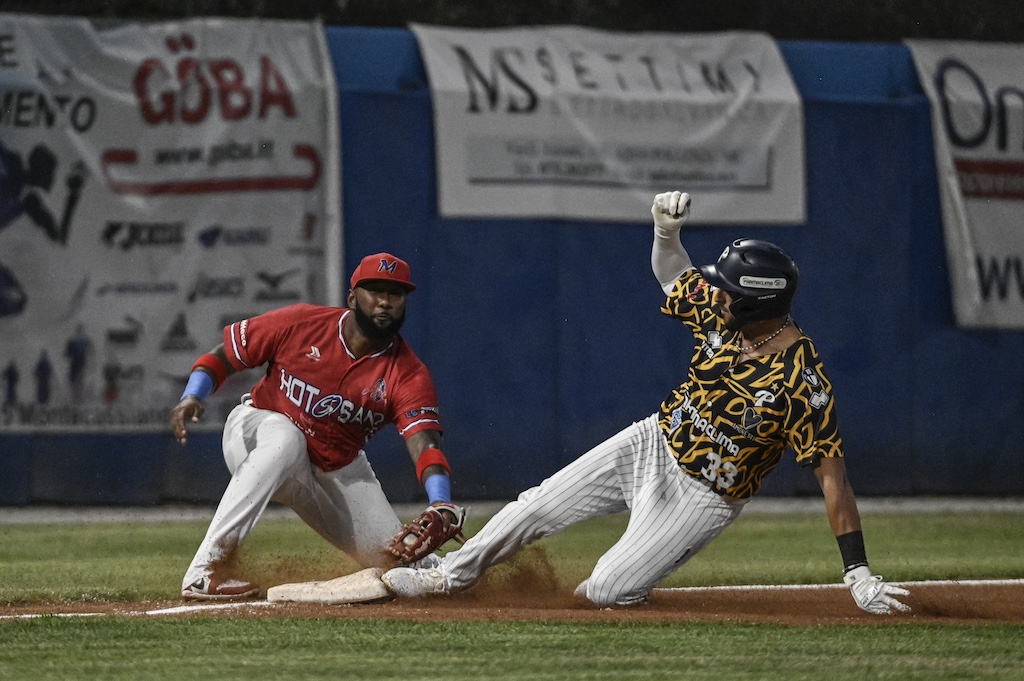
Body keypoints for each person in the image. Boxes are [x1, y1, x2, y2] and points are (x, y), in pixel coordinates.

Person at [381, 191, 910, 615]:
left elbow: (833, 479)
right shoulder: (725, 314)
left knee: (606, 592)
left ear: (757, 303)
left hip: (706, 496)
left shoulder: (803, 380)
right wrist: (665, 231)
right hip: (653, 440)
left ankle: (631, 577)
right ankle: (446, 578)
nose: (713, 292)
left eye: (726, 290)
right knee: (535, 506)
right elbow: (672, 273)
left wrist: (856, 571)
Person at [170, 252, 461, 600]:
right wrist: (192, 395)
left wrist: (440, 502)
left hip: (335, 466)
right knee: (287, 439)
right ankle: (206, 570)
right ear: (352, 298)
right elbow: (222, 357)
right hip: (256, 431)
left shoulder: (408, 374)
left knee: (402, 566)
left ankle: (461, 579)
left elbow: (425, 443)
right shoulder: (301, 323)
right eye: (375, 290)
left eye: (395, 294)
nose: (384, 301)